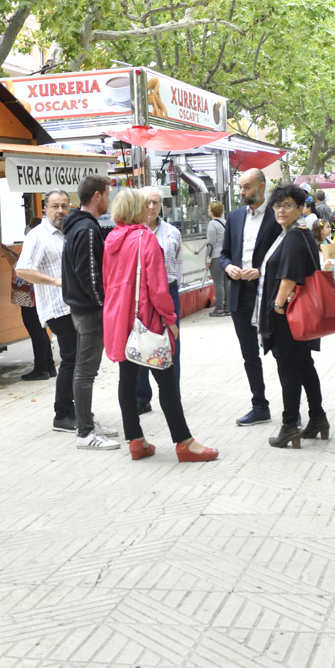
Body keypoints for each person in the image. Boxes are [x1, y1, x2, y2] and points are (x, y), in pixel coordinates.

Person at [102, 188, 219, 463]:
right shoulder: (145, 238)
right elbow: (158, 287)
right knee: (166, 379)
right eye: (145, 204)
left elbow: (109, 282)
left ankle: (136, 440)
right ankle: (184, 442)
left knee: (126, 380)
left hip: (120, 318)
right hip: (148, 318)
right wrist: (170, 320)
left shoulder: (112, 239)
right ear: (136, 209)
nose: (149, 208)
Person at [254, 183, 328, 449]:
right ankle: (318, 418)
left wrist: (276, 305)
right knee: (304, 365)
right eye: (277, 205)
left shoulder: (295, 235)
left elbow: (289, 276)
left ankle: (289, 425)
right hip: (294, 312)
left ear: (300, 208)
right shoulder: (294, 233)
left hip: (287, 314)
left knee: (288, 369)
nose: (281, 210)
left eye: (288, 205)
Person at [218, 168, 281, 425]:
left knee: (280, 352)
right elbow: (223, 254)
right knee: (249, 354)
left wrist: (262, 271)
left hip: (268, 295)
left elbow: (284, 256)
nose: (242, 192)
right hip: (240, 294)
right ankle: (259, 405)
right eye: (240, 187)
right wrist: (227, 266)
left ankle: (292, 409)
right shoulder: (233, 218)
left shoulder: (278, 216)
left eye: (246, 187)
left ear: (262, 186)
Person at [61, 175, 120, 449]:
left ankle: (86, 421)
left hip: (81, 308)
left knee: (83, 370)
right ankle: (85, 432)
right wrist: (103, 304)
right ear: (97, 196)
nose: (109, 200)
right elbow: (90, 275)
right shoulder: (85, 228)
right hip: (88, 311)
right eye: (107, 195)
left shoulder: (79, 225)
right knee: (85, 371)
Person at [14, 192, 80, 423]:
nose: (60, 210)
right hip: (56, 308)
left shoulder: (66, 233)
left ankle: (76, 410)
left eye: (64, 206)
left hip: (74, 306)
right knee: (71, 359)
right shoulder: (38, 236)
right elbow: (22, 269)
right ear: (45, 209)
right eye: (55, 206)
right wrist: (55, 281)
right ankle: (62, 414)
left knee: (78, 360)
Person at [134, 187, 183, 415]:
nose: (151, 207)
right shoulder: (135, 234)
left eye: (155, 202)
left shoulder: (173, 232)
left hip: (169, 292)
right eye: (147, 202)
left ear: (162, 205)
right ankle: (142, 397)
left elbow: (178, 265)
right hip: (143, 296)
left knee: (171, 343)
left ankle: (173, 394)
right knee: (142, 343)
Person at [8, 215, 56, 382]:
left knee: (36, 330)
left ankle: (41, 368)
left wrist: (10, 259)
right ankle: (48, 366)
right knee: (40, 330)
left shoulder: (34, 243)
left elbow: (24, 268)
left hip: (30, 294)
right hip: (34, 293)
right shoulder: (43, 242)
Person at [205, 201, 229, 317]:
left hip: (215, 256)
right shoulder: (225, 222)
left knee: (218, 283)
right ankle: (228, 307)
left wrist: (207, 258)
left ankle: (219, 308)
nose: (208, 210)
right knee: (226, 283)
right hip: (225, 257)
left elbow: (210, 243)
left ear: (212, 210)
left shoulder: (212, 224)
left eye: (209, 208)